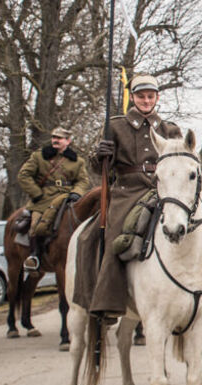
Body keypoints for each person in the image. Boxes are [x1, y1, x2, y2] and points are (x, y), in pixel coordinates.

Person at [74, 74, 183, 323]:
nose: (146, 100)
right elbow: (97, 168)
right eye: (141, 96)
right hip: (128, 190)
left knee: (201, 228)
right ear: (132, 97)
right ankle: (108, 303)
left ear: (157, 98)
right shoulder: (115, 126)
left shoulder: (170, 129)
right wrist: (100, 156)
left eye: (150, 96)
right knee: (113, 236)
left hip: (163, 189)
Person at [17, 127, 90, 270]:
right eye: (54, 137)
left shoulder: (77, 161)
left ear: (68, 141)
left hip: (67, 198)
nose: (55, 140)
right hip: (43, 198)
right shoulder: (39, 156)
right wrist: (36, 193)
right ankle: (34, 256)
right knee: (35, 225)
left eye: (60, 138)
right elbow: (23, 175)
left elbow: (83, 181)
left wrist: (77, 192)